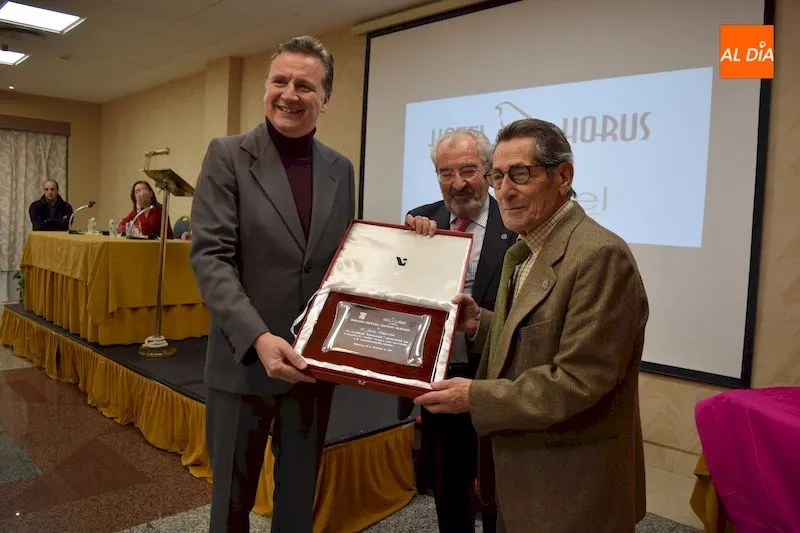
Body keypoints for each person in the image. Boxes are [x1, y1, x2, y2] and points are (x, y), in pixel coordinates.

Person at [414, 118, 649, 533]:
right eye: (499, 176)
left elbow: (579, 380)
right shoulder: (527, 249)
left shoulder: (599, 256)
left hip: (568, 483)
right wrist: (481, 324)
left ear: (563, 176)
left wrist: (476, 397)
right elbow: (535, 335)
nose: (504, 189)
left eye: (520, 174)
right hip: (523, 468)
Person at [189, 35, 355, 533]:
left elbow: (343, 263)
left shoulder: (340, 169)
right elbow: (211, 258)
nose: (289, 93)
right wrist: (259, 338)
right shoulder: (226, 156)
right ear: (266, 88)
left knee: (298, 499)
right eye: (280, 81)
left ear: (325, 99)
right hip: (244, 361)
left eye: (305, 85)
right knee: (231, 507)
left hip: (311, 367)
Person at [400, 129, 514, 533]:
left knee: (497, 486)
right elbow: (400, 290)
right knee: (446, 483)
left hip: (494, 375)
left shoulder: (514, 223)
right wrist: (406, 248)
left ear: (488, 172)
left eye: (468, 170)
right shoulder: (421, 221)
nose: (458, 183)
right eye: (446, 173)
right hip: (439, 372)